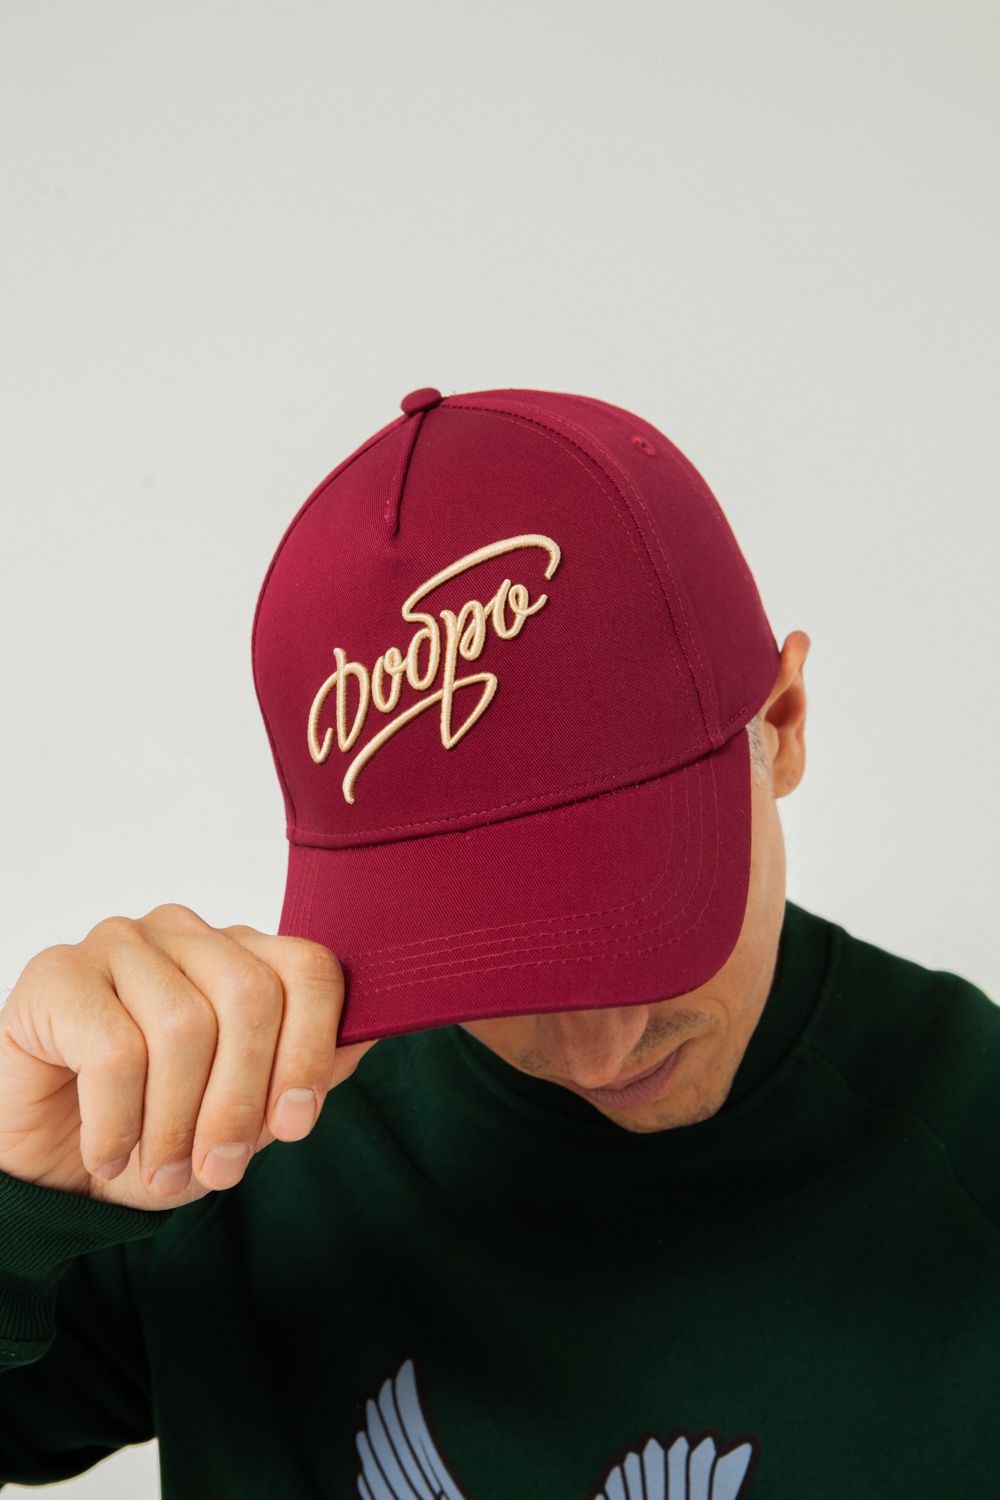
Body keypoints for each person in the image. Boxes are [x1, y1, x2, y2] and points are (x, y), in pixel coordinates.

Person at [0, 387, 996, 1500]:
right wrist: (11, 1198)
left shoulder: (975, 1139)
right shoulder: (220, 1138)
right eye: (501, 948)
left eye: (643, 916)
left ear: (784, 724)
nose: (596, 1051)